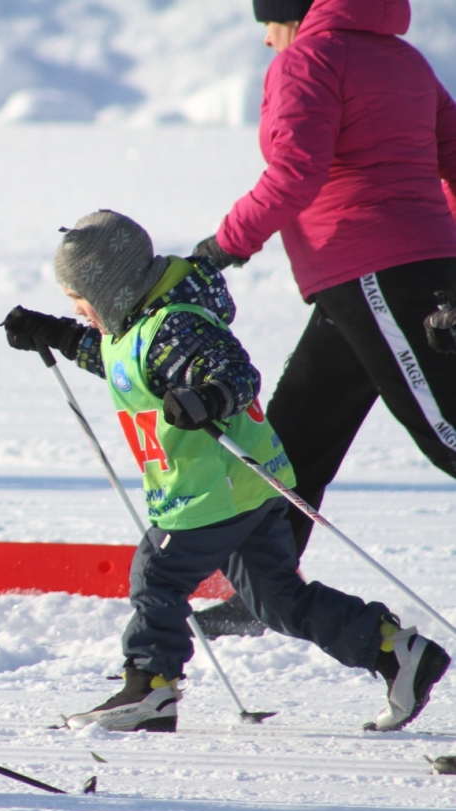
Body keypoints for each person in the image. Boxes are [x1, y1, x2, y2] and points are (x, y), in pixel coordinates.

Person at [2, 210, 449, 732]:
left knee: (157, 574)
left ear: (111, 287)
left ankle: (151, 687)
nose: (77, 309)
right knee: (276, 600)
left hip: (213, 491)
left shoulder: (176, 326)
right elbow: (120, 360)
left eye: (77, 299)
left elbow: (235, 372)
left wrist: (208, 398)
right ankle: (393, 650)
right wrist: (53, 333)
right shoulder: (140, 325)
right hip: (248, 487)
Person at [189, 0, 456, 637]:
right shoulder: (404, 59)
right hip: (385, 274)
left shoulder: (306, 59)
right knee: (295, 439)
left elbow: (293, 173)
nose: (266, 42)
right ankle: (261, 592)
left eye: (267, 24)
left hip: (375, 269)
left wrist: (222, 248)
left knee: (448, 432)